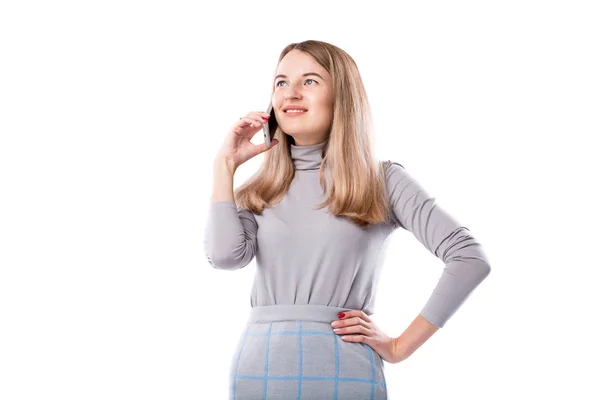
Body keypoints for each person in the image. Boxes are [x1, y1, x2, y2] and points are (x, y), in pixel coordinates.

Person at [204, 40, 491, 400]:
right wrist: (224, 166)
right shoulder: (260, 189)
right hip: (257, 373)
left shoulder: (381, 181)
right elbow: (225, 257)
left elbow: (469, 258)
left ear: (342, 97)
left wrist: (399, 347)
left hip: (344, 372)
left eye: (309, 81)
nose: (290, 93)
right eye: (281, 82)